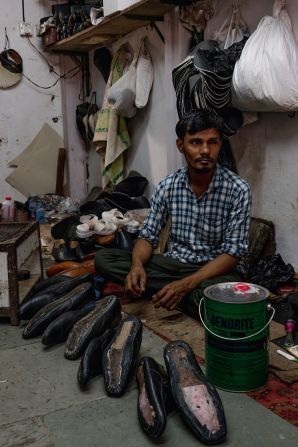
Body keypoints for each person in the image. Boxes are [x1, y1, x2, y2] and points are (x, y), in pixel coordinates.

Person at [94, 109, 252, 320]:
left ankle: (178, 293)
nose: (205, 150)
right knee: (104, 259)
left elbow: (232, 254)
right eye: (196, 142)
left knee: (220, 295)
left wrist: (188, 283)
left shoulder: (238, 189)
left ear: (220, 144)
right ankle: (184, 296)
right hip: (174, 265)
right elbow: (148, 236)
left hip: (215, 272)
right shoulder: (168, 186)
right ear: (181, 146)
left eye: (212, 142)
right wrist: (137, 266)